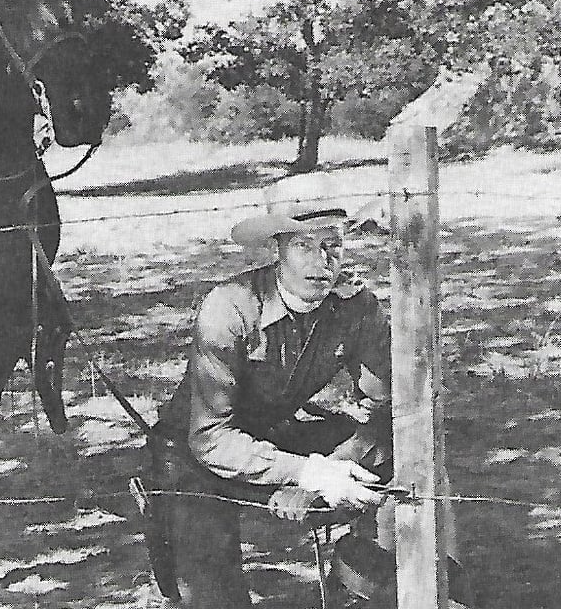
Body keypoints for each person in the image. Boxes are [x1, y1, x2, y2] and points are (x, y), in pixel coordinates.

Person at [146, 172, 464, 608]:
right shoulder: (230, 307)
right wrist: (306, 472)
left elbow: (386, 406)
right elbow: (209, 438)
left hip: (275, 435)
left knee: (402, 451)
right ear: (277, 251)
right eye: (304, 245)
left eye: (333, 243)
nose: (323, 261)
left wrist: (331, 470)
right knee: (213, 594)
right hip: (195, 453)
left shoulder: (355, 306)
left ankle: (380, 582)